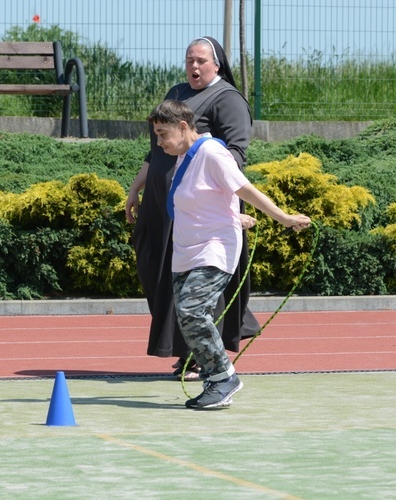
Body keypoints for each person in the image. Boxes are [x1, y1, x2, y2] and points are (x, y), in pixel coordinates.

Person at [147, 99, 311, 408]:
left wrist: (285, 218)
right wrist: (235, 217)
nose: (159, 142)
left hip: (214, 250)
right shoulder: (185, 157)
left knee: (194, 312)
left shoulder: (211, 153)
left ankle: (224, 378)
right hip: (186, 253)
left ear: (183, 127)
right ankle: (215, 381)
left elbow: (244, 188)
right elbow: (201, 202)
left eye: (162, 133)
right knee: (187, 318)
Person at [126, 36, 260, 380]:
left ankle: (204, 359)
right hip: (162, 203)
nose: (195, 67)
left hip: (198, 206)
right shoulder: (176, 93)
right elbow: (155, 149)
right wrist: (136, 187)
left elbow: (235, 156)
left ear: (217, 63)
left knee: (199, 281)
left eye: (201, 60)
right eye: (189, 61)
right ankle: (187, 350)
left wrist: (216, 197)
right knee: (158, 271)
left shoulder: (227, 99)